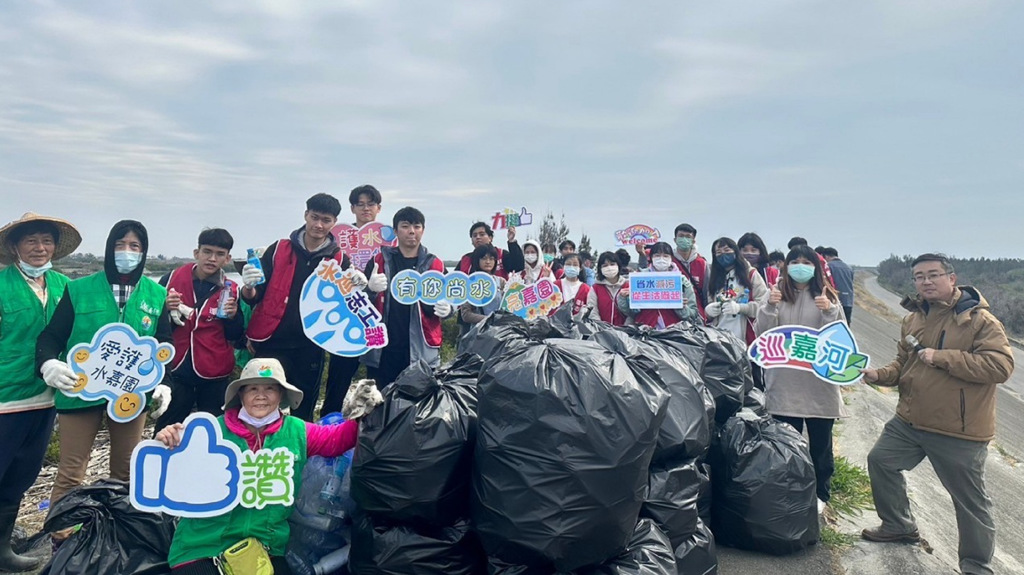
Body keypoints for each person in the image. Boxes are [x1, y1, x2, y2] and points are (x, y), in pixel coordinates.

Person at [860, 254, 1012, 575]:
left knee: (970, 505)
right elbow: (904, 365)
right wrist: (878, 375)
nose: (926, 282)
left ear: (952, 278)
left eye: (934, 275)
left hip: (958, 429)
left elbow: (1001, 366)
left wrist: (942, 357)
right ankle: (899, 525)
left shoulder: (980, 321)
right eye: (919, 277)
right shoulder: (913, 318)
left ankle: (976, 567)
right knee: (881, 461)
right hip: (910, 421)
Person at [159, 358, 373, 574]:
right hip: (202, 545)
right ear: (240, 395)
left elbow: (338, 439)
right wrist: (166, 439)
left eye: (270, 388)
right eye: (252, 388)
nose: (261, 395)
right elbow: (168, 464)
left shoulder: (298, 431)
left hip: (264, 547)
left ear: (281, 395)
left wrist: (366, 412)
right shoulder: (209, 430)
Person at [36, 220, 173, 510]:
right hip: (80, 389)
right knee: (72, 469)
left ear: (144, 252)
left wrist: (164, 383)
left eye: (134, 246)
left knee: (125, 469)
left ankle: (120, 532)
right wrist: (48, 363)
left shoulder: (156, 295)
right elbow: (52, 336)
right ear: (109, 248)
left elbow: (162, 344)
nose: (127, 252)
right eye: (120, 245)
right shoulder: (79, 289)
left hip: (130, 393)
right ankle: (62, 536)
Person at [240, 193, 367, 422]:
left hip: (311, 345)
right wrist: (247, 287)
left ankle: (301, 453)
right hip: (272, 340)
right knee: (261, 403)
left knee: (304, 408)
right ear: (305, 215)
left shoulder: (339, 260)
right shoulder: (279, 249)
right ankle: (258, 452)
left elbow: (348, 307)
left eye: (326, 220)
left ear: (334, 223)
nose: (319, 225)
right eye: (314, 217)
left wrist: (363, 288)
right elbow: (254, 295)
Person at [0, 213, 79, 572]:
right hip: (6, 397)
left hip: (47, 398)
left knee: (22, 475)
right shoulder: (1, 284)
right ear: (15, 247)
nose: (39, 248)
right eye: (30, 240)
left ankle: (3, 550)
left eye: (46, 240)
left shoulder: (66, 286)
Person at [756, 245, 845, 513]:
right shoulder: (776, 293)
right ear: (786, 265)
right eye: (795, 261)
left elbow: (840, 338)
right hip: (784, 380)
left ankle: (821, 494)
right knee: (785, 444)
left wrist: (829, 311)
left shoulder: (827, 294)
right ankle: (788, 492)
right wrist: (770, 307)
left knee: (820, 446)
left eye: (807, 262)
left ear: (816, 268)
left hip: (818, 382)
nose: (800, 266)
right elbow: (764, 333)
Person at [157, 228, 243, 429]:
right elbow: (157, 329)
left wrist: (232, 317)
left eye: (220, 254)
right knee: (166, 431)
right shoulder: (169, 280)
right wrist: (166, 311)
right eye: (207, 251)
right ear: (197, 253)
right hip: (176, 369)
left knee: (212, 432)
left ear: (228, 258)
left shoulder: (231, 289)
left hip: (215, 372)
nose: (212, 258)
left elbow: (236, 335)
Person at [363, 207, 453, 388]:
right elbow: (359, 302)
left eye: (417, 227)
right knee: (379, 402)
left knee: (419, 404)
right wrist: (370, 290)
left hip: (420, 348)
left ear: (423, 230)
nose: (412, 232)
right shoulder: (379, 261)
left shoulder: (434, 264)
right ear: (395, 231)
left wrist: (449, 310)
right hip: (382, 347)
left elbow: (451, 299)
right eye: (405, 226)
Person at [323, 185, 385, 417]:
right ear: (352, 208)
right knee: (339, 374)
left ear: (379, 208)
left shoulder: (388, 236)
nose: (366, 208)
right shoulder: (338, 236)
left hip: (377, 316)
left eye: (371, 204)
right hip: (344, 314)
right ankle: (328, 423)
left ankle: (373, 426)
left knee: (376, 373)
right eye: (360, 204)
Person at [705, 237, 769, 346]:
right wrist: (709, 311)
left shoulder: (750, 274)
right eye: (718, 252)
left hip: (745, 337)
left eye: (727, 250)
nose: (723, 255)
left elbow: (763, 305)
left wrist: (741, 308)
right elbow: (709, 304)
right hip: (720, 338)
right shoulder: (714, 278)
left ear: (736, 251)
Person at [621, 242, 698, 329]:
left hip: (675, 332)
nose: (661, 259)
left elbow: (693, 313)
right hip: (645, 331)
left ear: (671, 258)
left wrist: (682, 308)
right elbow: (630, 312)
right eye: (657, 255)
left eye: (665, 256)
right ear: (651, 257)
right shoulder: (640, 278)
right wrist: (624, 299)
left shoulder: (681, 280)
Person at [458, 244, 506, 338]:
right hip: (478, 335)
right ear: (477, 260)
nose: (488, 262)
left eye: (491, 259)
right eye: (484, 258)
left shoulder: (501, 282)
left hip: (500, 334)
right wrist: (489, 319)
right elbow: (466, 314)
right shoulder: (470, 282)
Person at [455, 222, 524, 279]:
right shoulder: (466, 259)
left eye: (482, 234)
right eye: (475, 235)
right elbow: (453, 279)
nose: (478, 237)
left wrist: (511, 241)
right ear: (471, 240)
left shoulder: (501, 254)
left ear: (490, 238)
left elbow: (518, 266)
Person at [586, 251, 629, 326]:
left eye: (612, 264)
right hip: (602, 332)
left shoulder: (628, 286)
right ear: (600, 268)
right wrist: (601, 328)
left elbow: (633, 313)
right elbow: (593, 311)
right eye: (605, 265)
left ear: (618, 266)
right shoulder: (595, 288)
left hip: (626, 332)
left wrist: (626, 329)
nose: (609, 268)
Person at [822, 247, 854, 323]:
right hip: (848, 301)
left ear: (826, 256)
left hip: (835, 300)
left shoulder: (828, 266)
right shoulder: (849, 268)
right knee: (846, 325)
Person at [554, 252, 591, 317]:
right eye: (568, 264)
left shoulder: (586, 289)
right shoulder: (555, 285)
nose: (571, 267)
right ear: (563, 267)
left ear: (580, 268)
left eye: (575, 265)